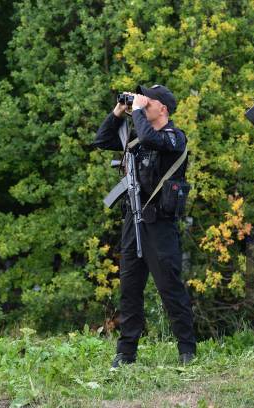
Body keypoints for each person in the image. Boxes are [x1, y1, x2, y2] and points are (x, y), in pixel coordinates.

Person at [91, 84, 196, 368]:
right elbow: (101, 140)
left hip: (160, 226)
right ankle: (126, 353)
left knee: (170, 287)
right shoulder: (137, 140)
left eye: (147, 101)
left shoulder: (174, 137)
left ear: (162, 107)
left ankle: (187, 349)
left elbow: (152, 139)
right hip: (132, 219)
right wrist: (118, 112)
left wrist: (136, 110)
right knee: (130, 289)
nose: (141, 104)